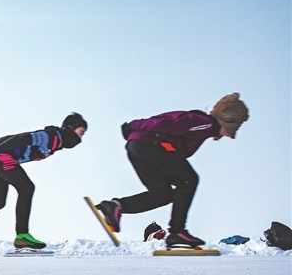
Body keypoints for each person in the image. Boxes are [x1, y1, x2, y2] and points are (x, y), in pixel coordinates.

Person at [94, 93, 249, 249]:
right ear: (228, 120)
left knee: (163, 194)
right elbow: (167, 126)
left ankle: (116, 206)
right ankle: (177, 232)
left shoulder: (204, 127)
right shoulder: (206, 124)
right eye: (236, 127)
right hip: (150, 144)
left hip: (138, 146)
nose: (232, 134)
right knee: (188, 180)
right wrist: (134, 126)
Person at [0, 114, 87, 250]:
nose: (80, 140)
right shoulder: (50, 136)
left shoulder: (55, 144)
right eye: (80, 133)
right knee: (27, 188)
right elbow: (21, 139)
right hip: (0, 156)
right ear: (69, 127)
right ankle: (22, 235)